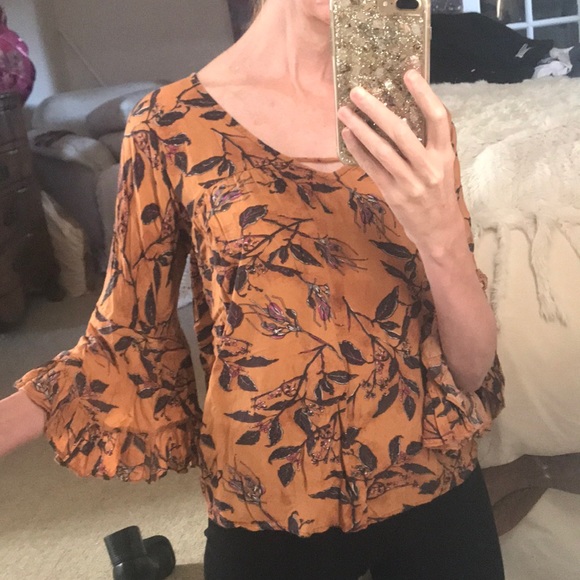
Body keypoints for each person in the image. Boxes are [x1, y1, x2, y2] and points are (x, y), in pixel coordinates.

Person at [2, 0, 565, 578]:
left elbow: (471, 370)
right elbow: (124, 335)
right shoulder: (169, 126)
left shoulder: (409, 117)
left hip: (432, 475)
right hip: (268, 497)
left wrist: (441, 236)